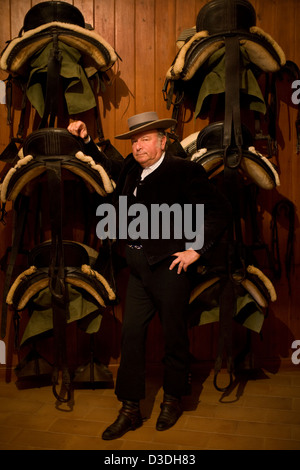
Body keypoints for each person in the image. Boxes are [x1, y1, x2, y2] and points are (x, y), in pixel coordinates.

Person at [68, 111, 232, 440]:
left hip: (170, 268)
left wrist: (196, 250)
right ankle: (130, 407)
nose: (138, 146)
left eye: (145, 139)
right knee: (131, 336)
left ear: (162, 141)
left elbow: (219, 211)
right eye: (134, 140)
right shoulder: (131, 168)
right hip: (139, 268)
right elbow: (110, 170)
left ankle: (172, 399)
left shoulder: (184, 171)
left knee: (174, 335)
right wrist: (86, 141)